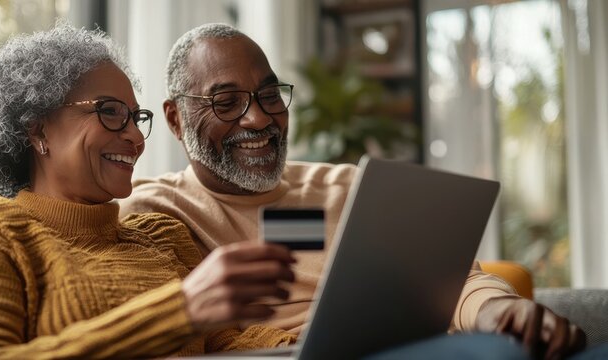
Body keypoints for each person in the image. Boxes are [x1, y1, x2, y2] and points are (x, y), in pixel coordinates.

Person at [119, 23, 592, 359]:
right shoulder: (151, 211)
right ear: (176, 119)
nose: (259, 118)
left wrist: (496, 308)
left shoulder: (347, 186)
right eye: (226, 102)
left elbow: (454, 279)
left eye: (268, 95)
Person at [0, 23, 302, 359]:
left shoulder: (162, 235)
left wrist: (314, 342)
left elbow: (225, 344)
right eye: (110, 112)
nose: (136, 137)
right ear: (38, 129)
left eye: (137, 118)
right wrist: (179, 311)